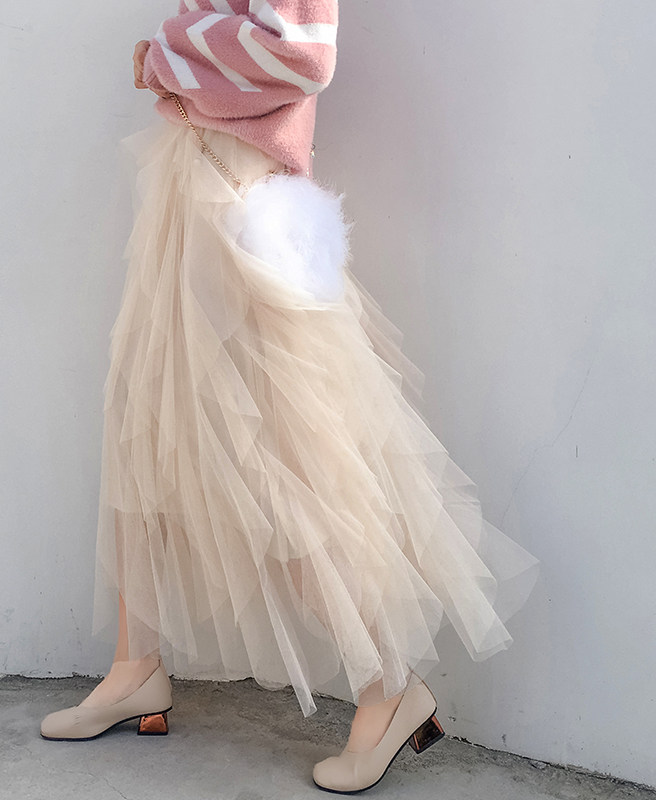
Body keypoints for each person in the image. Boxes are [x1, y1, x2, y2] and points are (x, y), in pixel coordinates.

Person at [40, 1, 540, 794]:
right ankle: (135, 666)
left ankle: (389, 686)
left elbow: (304, 54)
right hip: (196, 184)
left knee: (277, 455)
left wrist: (170, 53)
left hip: (239, 202)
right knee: (146, 420)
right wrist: (180, 62)